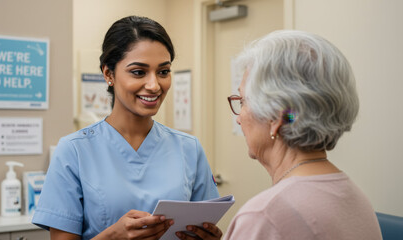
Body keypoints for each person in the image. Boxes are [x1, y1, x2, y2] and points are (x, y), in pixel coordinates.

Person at [176, 30, 382, 240]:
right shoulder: (355, 197)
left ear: (276, 118)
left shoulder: (265, 216)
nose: (238, 118)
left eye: (243, 101)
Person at [32, 16, 219, 240]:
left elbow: (203, 226)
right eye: (139, 72)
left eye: (163, 72)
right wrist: (113, 236)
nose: (154, 85)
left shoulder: (189, 149)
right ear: (108, 74)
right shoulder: (74, 151)